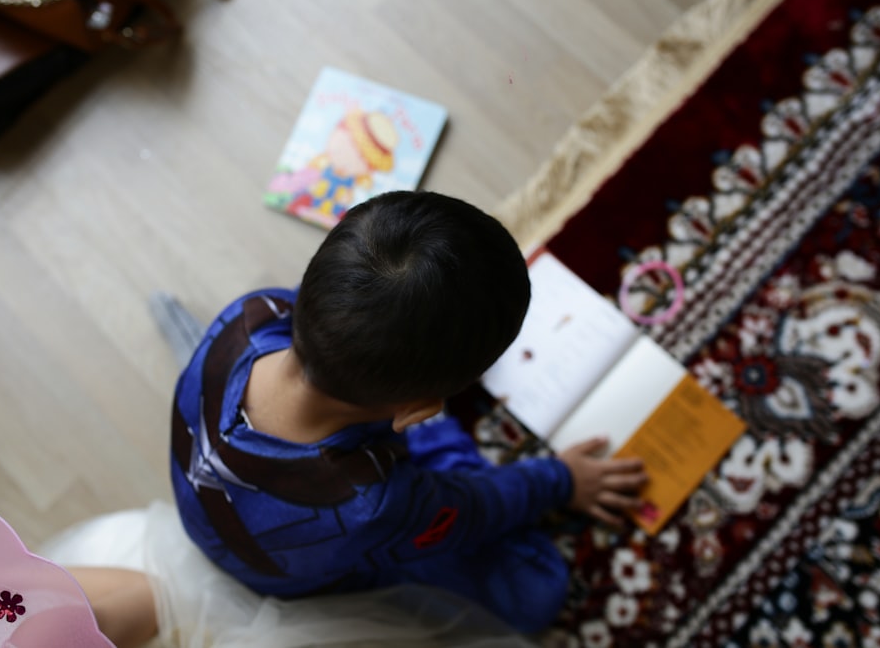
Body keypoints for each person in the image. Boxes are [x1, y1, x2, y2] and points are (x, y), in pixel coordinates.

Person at [168, 190, 648, 635]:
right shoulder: (371, 504)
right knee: (536, 590)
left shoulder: (251, 311)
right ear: (418, 411)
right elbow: (474, 510)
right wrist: (560, 480)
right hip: (305, 576)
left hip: (234, 519)